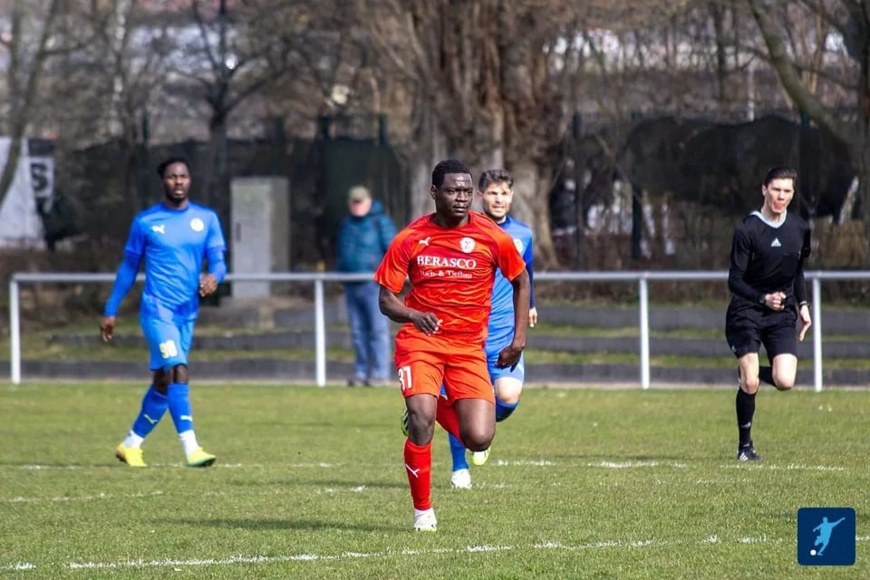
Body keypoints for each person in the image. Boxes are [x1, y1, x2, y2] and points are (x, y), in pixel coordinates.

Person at [375, 159, 530, 531]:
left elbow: (522, 280)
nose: (460, 198)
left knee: (478, 438)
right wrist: (413, 315)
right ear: (434, 193)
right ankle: (423, 511)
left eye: (465, 191)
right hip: (421, 343)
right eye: (451, 190)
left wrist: (518, 339)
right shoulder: (410, 238)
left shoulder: (491, 235)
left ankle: (423, 407)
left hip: (467, 348)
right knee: (422, 420)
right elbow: (386, 299)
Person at [101, 157, 227, 468]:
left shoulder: (206, 219)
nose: (179, 181)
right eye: (172, 176)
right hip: (157, 311)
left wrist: (214, 277)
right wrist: (111, 309)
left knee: (163, 381)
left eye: (183, 176)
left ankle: (131, 444)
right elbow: (129, 267)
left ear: (190, 180)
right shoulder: (146, 222)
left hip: (187, 313)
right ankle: (191, 448)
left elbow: (219, 262)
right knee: (177, 369)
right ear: (163, 182)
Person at [444, 168, 537, 489]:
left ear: (512, 196)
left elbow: (527, 275)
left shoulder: (522, 234)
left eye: (505, 193)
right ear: (481, 196)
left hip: (502, 329)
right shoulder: (464, 230)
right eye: (493, 193)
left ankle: (484, 427)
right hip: (465, 329)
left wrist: (532, 304)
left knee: (508, 395)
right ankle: (459, 468)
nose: (499, 199)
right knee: (456, 401)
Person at [725, 166, 811, 462]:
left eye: (787, 191)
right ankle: (745, 447)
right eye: (776, 190)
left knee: (785, 380)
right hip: (747, 311)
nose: (781, 196)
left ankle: (748, 374)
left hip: (781, 314)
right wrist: (763, 297)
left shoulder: (799, 228)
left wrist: (803, 306)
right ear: (764, 189)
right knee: (750, 383)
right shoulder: (748, 229)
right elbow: (734, 280)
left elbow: (798, 271)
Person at [336, 185, 397, 387]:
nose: (357, 206)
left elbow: (394, 250)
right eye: (354, 202)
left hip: (374, 284)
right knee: (357, 331)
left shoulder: (380, 223)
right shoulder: (347, 224)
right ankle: (361, 371)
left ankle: (380, 373)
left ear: (369, 202)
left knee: (378, 330)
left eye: (360, 202)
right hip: (352, 284)